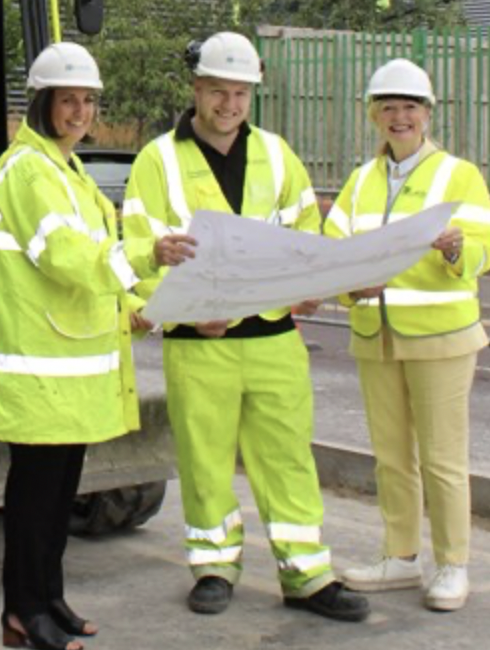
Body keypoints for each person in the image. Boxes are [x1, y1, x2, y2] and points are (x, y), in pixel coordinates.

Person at [122, 31, 369, 622]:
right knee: (204, 459)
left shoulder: (279, 156)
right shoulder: (157, 161)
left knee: (287, 457)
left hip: (275, 338)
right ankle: (213, 565)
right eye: (218, 91)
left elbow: (308, 234)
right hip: (196, 343)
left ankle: (307, 573)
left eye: (241, 93)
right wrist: (180, 310)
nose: (229, 104)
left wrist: (313, 284)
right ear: (196, 89)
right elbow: (135, 249)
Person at [0, 42, 151, 650]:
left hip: (68, 367)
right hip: (39, 368)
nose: (80, 111)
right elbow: (69, 256)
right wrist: (147, 257)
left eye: (88, 100)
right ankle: (22, 613)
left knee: (55, 500)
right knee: (32, 501)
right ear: (43, 103)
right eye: (67, 100)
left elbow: (97, 256)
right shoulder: (29, 171)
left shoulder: (67, 170)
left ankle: (48, 599)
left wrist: (134, 306)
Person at [323, 58, 490, 612]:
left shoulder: (458, 174)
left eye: (410, 108)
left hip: (440, 336)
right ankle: (400, 557)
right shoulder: (360, 180)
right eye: (389, 107)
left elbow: (483, 248)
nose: (399, 117)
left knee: (442, 457)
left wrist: (454, 248)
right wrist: (352, 288)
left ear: (427, 114)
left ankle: (452, 564)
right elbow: (336, 253)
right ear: (373, 115)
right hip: (377, 334)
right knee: (391, 455)